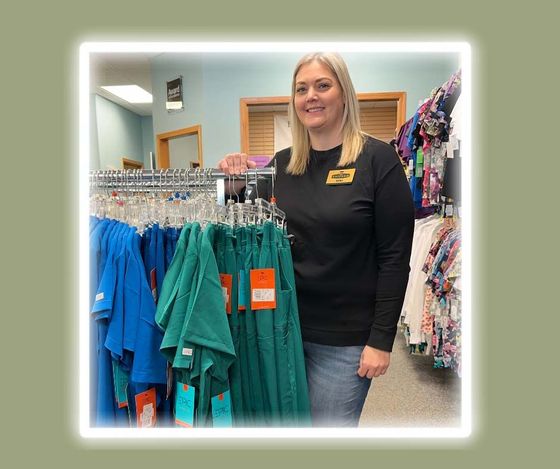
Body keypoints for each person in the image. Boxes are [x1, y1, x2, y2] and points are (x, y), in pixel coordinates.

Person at [217, 52, 414, 427]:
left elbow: (394, 259)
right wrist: (230, 174)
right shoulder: (282, 164)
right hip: (281, 330)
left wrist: (381, 340)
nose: (311, 96)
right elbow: (235, 217)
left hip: (345, 341)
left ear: (344, 94)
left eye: (323, 85)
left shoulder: (379, 160)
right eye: (301, 88)